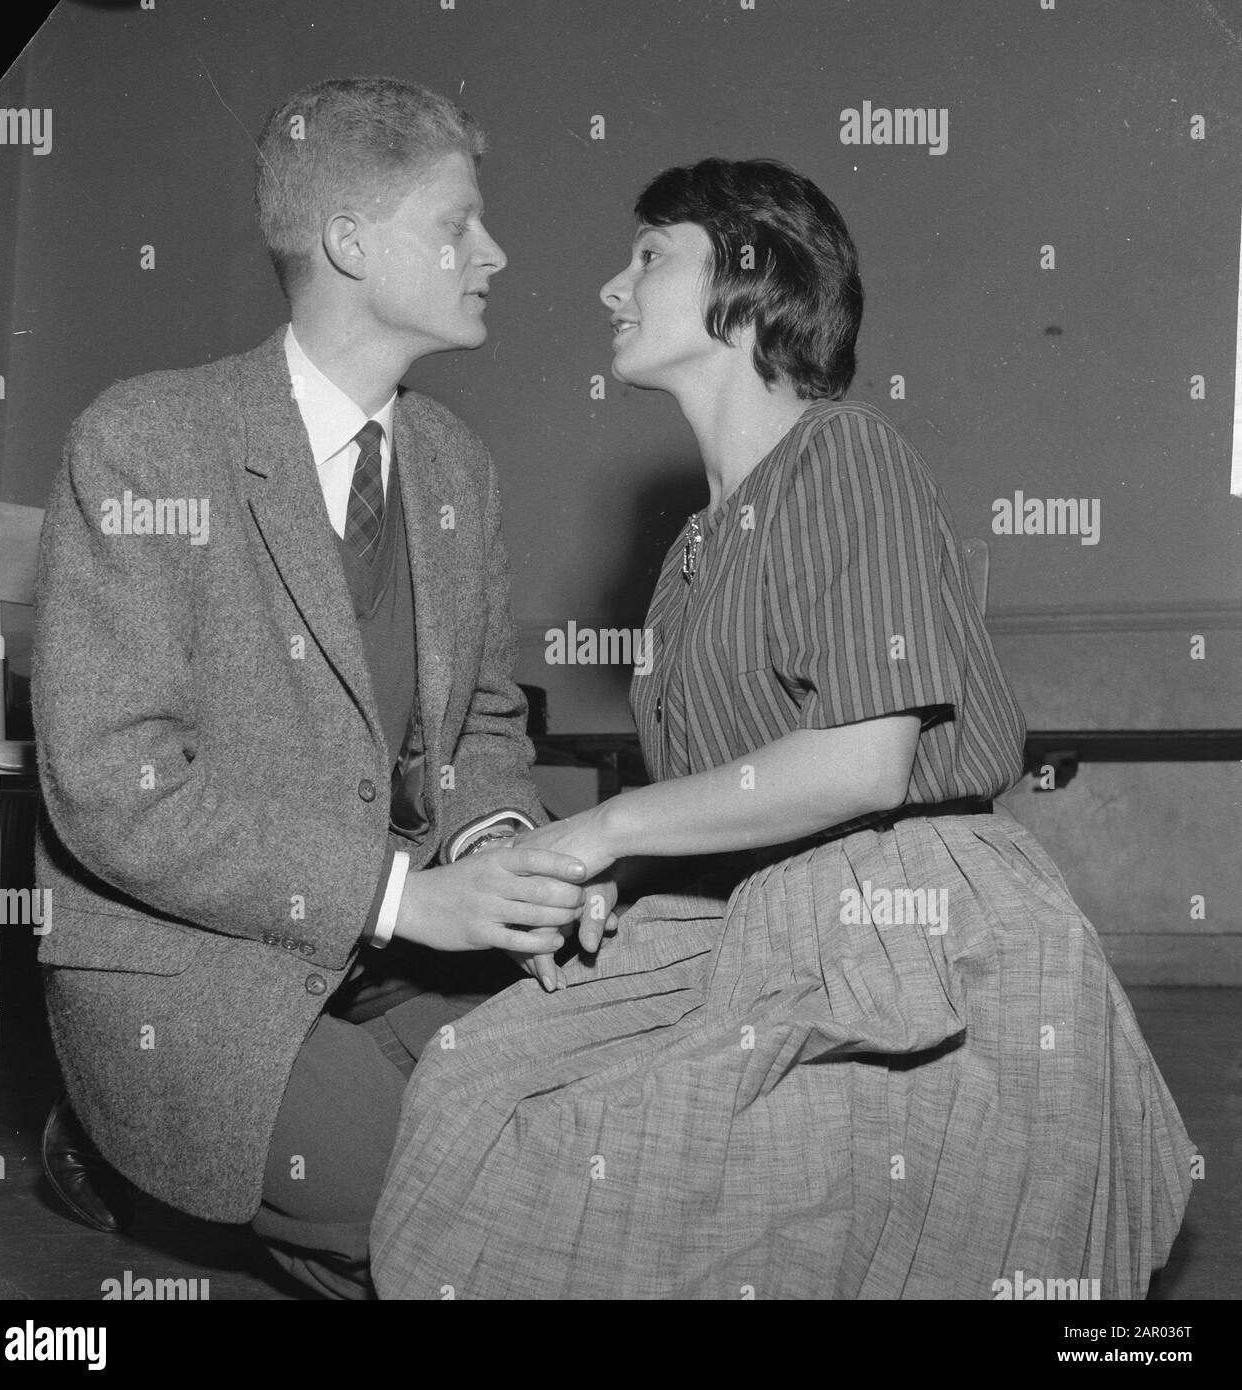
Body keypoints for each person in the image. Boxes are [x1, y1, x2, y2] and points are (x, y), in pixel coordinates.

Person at [370, 157, 1196, 1300]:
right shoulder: (692, 555)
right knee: (477, 1082)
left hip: (914, 918)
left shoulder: (846, 453)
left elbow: (862, 763)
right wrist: (632, 864)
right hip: (754, 911)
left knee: (696, 1184)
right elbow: (743, 797)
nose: (613, 288)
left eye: (649, 256)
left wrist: (607, 830)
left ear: (752, 280)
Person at [32, 76, 598, 1300]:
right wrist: (408, 894)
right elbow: (111, 790)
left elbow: (482, 728)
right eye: (459, 226)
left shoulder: (456, 464)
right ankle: (111, 1146)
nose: (494, 254)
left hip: (411, 963)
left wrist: (504, 848)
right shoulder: (143, 443)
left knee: (598, 1159)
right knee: (479, 1226)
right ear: (350, 242)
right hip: (210, 985)